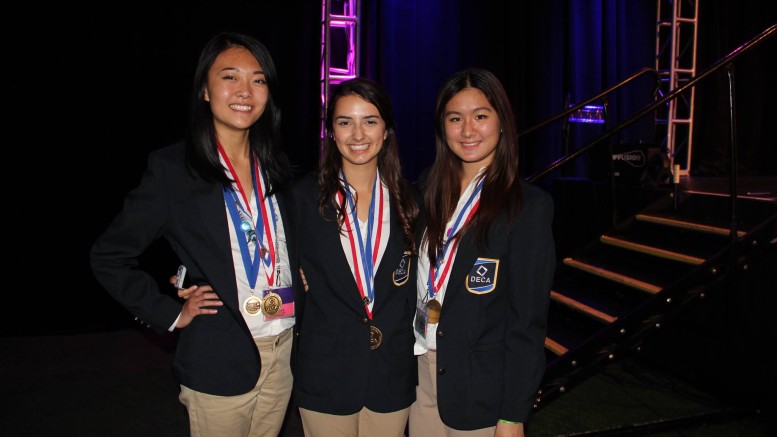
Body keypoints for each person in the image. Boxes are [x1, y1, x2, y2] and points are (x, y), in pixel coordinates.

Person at [90, 31, 300, 437]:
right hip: (220, 356)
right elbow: (109, 256)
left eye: (258, 79)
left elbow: (277, 245)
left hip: (284, 351)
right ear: (205, 90)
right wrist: (170, 313)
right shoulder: (173, 170)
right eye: (230, 77)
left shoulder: (277, 165)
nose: (245, 90)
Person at [409, 68, 556, 437]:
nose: (467, 130)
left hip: (480, 391)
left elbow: (527, 323)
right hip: (420, 376)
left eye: (480, 116)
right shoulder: (427, 190)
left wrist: (512, 415)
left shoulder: (527, 207)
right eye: (455, 118)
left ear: (502, 121)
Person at [290, 77, 420, 436]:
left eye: (370, 121)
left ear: (387, 130)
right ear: (331, 131)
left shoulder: (413, 202)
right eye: (345, 122)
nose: (358, 134)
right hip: (325, 373)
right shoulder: (301, 199)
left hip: (391, 374)